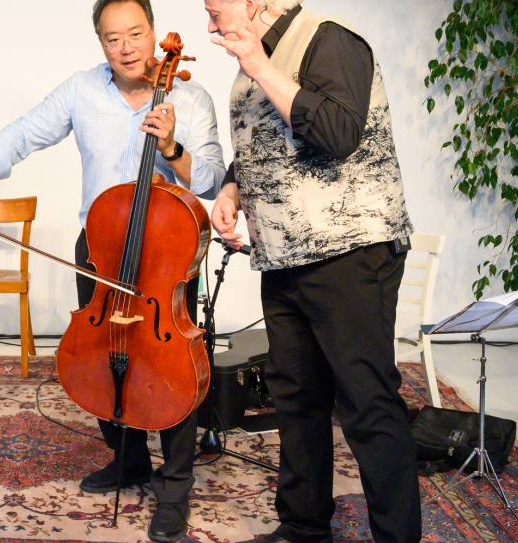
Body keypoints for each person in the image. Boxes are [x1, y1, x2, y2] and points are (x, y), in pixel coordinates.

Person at [0, 1, 225, 540]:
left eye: (136, 34)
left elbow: (209, 178)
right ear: (101, 43)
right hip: (99, 248)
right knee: (104, 353)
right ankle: (128, 459)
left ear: (153, 33)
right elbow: (24, 131)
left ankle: (175, 484)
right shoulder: (82, 89)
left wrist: (171, 146)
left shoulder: (190, 97)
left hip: (169, 250)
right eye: (113, 38)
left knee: (174, 361)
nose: (127, 48)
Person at [203, 1, 421, 542]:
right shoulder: (259, 57)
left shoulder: (332, 41)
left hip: (350, 253)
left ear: (252, 3)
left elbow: (337, 132)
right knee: (295, 397)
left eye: (215, 10)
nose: (209, 25)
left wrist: (259, 67)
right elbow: (264, 140)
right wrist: (232, 189)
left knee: (367, 402)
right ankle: (303, 527)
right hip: (284, 256)